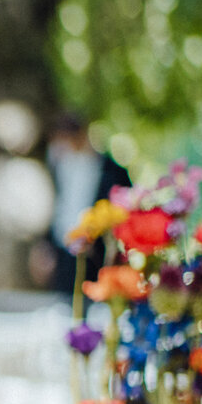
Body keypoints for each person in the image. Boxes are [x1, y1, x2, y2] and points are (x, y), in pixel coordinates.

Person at [36, 111, 130, 296]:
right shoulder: (57, 167)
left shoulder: (111, 170)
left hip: (98, 255)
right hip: (63, 252)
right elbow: (53, 209)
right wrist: (46, 245)